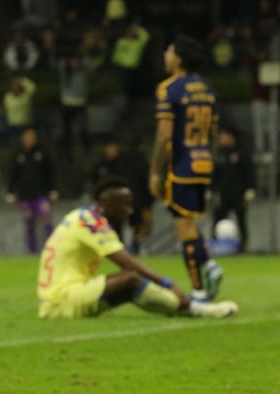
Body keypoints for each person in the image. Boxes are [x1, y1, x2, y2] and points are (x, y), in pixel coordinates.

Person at [37, 176, 238, 320]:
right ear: (106, 203)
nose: (130, 210)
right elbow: (127, 262)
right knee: (131, 279)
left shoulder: (82, 216)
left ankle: (184, 307)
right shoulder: (91, 223)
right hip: (61, 299)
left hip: (59, 295)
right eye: (125, 204)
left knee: (129, 280)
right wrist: (167, 284)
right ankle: (194, 309)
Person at [149, 34, 224, 301]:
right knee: (191, 224)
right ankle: (210, 267)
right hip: (203, 162)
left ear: (178, 58)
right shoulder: (207, 90)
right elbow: (214, 133)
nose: (165, 55)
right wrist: (210, 161)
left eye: (168, 50)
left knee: (185, 229)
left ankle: (199, 290)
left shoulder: (169, 89)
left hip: (181, 163)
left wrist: (155, 171)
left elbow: (165, 136)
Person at [91, 137, 152, 253]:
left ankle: (135, 248)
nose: (110, 150)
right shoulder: (100, 166)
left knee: (136, 225)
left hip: (129, 203)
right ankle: (115, 249)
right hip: (111, 206)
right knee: (113, 228)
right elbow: (95, 183)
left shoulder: (124, 164)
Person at [6, 127, 56, 254]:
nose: (30, 139)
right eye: (27, 136)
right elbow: (13, 175)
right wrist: (11, 193)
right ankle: (32, 252)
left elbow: (50, 173)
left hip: (41, 194)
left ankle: (53, 250)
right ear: (23, 138)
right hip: (25, 195)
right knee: (29, 223)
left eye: (32, 136)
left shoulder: (42, 153)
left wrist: (53, 190)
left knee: (47, 219)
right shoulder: (18, 155)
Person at [211, 126, 255, 252]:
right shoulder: (220, 154)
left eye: (223, 136)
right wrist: (212, 191)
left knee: (241, 221)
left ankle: (243, 248)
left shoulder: (242, 153)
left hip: (239, 195)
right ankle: (215, 246)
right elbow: (214, 176)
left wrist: (250, 191)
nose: (221, 139)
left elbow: (250, 174)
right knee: (217, 220)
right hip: (223, 195)